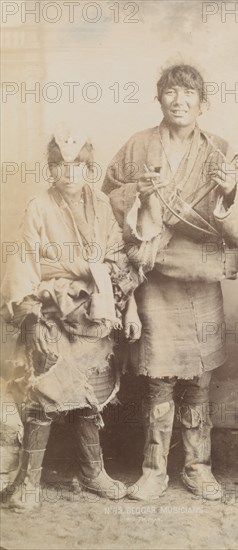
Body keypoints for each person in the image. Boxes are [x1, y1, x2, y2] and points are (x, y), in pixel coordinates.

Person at [102, 63, 238, 501]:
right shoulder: (137, 146)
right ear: (160, 98)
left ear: (203, 103)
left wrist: (227, 193)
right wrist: (139, 193)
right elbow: (106, 200)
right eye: (171, 92)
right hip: (153, 278)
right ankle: (153, 470)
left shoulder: (220, 150)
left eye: (189, 93)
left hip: (201, 279)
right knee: (158, 380)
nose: (179, 100)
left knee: (200, 379)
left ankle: (198, 466)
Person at [1, 124, 142, 512]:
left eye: (78, 166)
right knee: (43, 398)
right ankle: (28, 483)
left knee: (89, 398)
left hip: (93, 314)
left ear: (89, 169)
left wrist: (117, 294)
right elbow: (24, 261)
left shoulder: (102, 207)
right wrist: (28, 315)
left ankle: (92, 471)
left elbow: (117, 258)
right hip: (51, 314)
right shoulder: (39, 207)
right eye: (61, 166)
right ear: (51, 170)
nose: (70, 174)